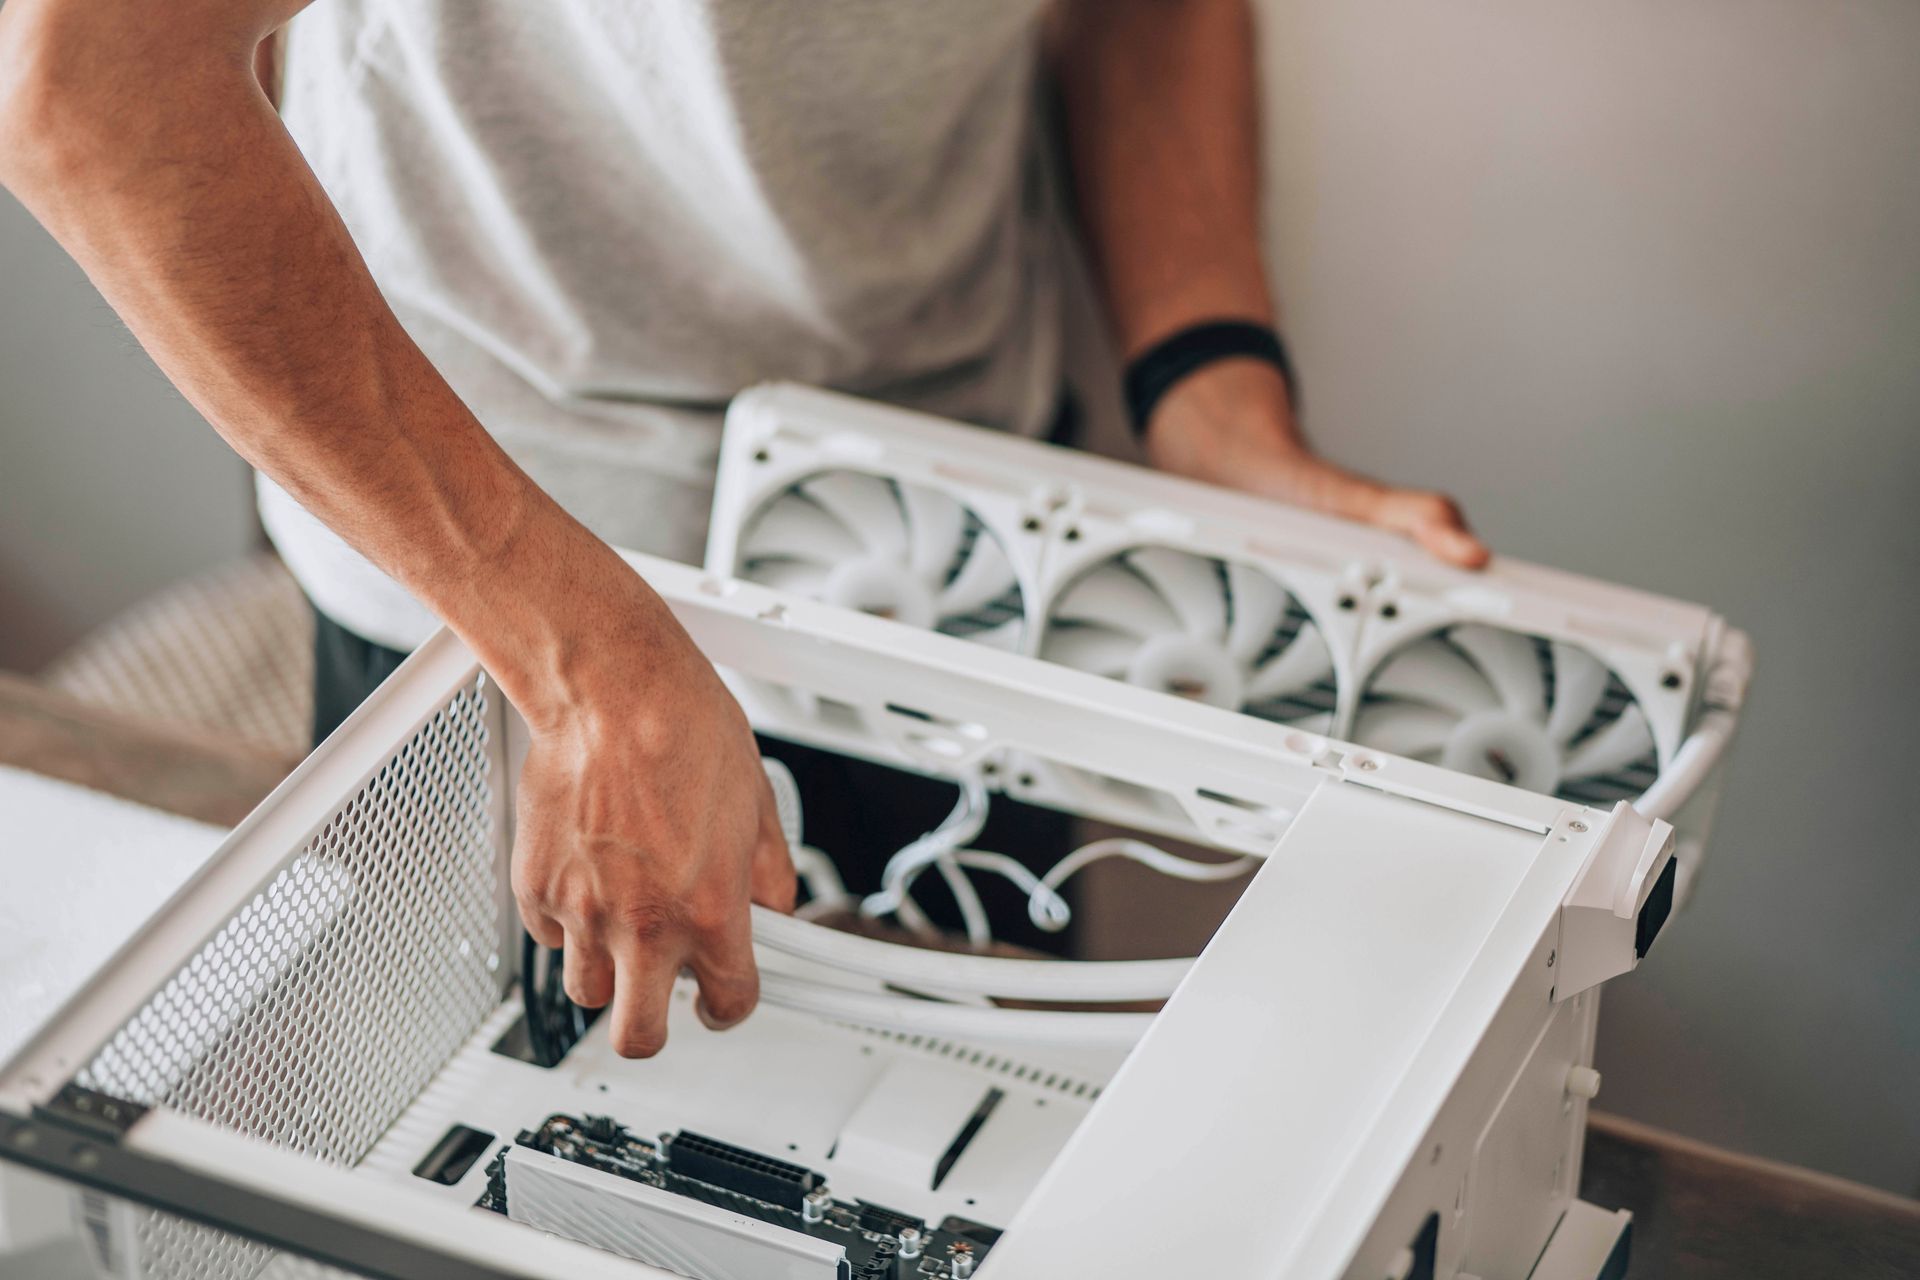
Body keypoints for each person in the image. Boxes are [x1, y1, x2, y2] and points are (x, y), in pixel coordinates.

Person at [0, 0, 1488, 1060]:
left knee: (965, 1124)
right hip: (502, 563)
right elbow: (86, 92)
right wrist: (581, 664)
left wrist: (1208, 390)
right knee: (493, 1137)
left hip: (958, 532)